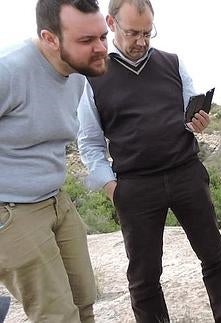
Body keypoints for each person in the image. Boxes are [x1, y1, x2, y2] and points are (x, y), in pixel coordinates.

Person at [77, 0, 221, 322]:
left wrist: (197, 122)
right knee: (144, 278)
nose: (141, 41)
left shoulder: (173, 63)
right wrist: (113, 188)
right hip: (135, 187)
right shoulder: (92, 77)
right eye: (132, 32)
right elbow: (90, 143)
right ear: (111, 24)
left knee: (215, 258)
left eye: (147, 32)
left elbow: (189, 115)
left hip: (186, 174)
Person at [0, 0, 108, 322]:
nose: (100, 48)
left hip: (57, 201)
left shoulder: (77, 73)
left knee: (84, 301)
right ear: (50, 38)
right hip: (12, 212)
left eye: (102, 36)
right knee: (57, 316)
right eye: (86, 41)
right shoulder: (9, 70)